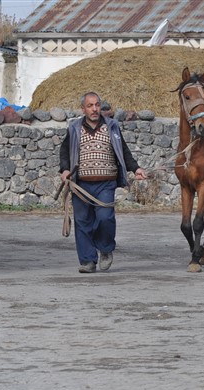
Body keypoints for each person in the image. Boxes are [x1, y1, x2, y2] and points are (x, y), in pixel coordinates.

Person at [59, 92, 147, 273]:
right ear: (83, 109)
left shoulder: (112, 126)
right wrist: (65, 170)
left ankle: (106, 249)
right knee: (83, 221)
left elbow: (123, 150)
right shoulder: (74, 128)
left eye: (97, 105)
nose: (94, 109)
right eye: (90, 106)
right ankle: (88, 261)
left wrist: (135, 168)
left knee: (105, 218)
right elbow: (64, 151)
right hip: (81, 184)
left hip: (106, 183)